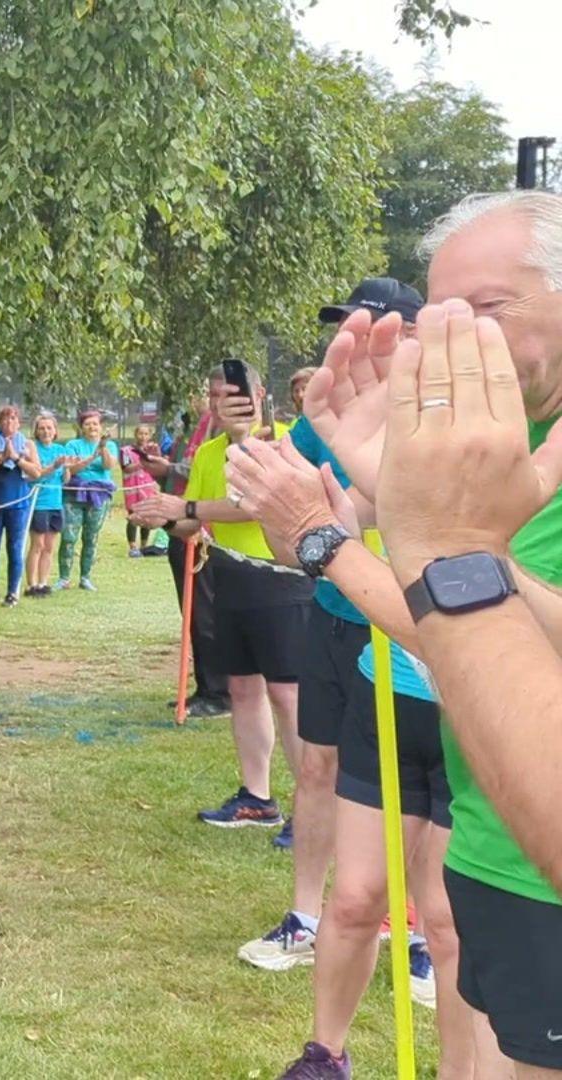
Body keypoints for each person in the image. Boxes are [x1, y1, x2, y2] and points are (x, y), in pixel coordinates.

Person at [295, 194, 562, 1074]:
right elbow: (463, 623)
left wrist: (334, 541)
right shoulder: (497, 437)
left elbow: (478, 615)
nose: (449, 333)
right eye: (438, 310)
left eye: (485, 309)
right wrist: (398, 507)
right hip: (497, 839)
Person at [221, 338, 474, 1077]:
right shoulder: (383, 444)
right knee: (359, 893)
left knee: (448, 915)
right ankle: (324, 1056)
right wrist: (266, 463)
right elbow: (311, 529)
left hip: (471, 711)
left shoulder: (511, 458)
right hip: (389, 690)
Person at [235, 278, 423, 976]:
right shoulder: (319, 420)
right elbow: (288, 541)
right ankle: (305, 917)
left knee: (414, 787)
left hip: (412, 628)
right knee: (319, 767)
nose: (347, 340)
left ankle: (418, 932)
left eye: (366, 327)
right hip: (338, 618)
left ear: (407, 335)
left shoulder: (433, 408)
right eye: (343, 326)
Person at [132, 361, 310, 831]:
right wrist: (165, 516)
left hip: (283, 581)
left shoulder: (285, 440)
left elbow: (254, 504)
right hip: (230, 579)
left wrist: (187, 504)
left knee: (288, 695)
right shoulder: (209, 453)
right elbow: (195, 522)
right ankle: (258, 797)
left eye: (229, 394)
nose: (219, 404)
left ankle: (309, 810)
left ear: (256, 394)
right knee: (244, 689)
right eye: (213, 396)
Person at [155, 390, 228, 716]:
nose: (211, 402)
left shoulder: (228, 435)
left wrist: (169, 468)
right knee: (195, 615)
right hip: (186, 527)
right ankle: (207, 687)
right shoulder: (199, 429)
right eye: (210, 395)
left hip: (208, 534)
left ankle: (219, 692)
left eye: (217, 395)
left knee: (208, 615)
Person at [0, 405, 37, 606]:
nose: (9, 423)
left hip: (18, 504)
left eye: (13, 419)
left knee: (15, 548)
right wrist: (2, 457)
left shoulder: (27, 444)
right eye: (5, 419)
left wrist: (16, 458)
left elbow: (36, 472)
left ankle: (13, 591)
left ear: (19, 423)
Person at [57, 407, 118, 591]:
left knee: (91, 537)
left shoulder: (111, 445)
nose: (92, 427)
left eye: (95, 424)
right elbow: (71, 469)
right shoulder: (73, 445)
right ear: (81, 427)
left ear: (100, 427)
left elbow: (109, 466)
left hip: (99, 495)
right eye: (87, 424)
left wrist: (103, 447)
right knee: (69, 537)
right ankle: (64, 578)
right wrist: (92, 457)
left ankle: (85, 577)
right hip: (74, 493)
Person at [23, 412, 70, 598]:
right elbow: (36, 473)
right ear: (36, 431)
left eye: (49, 428)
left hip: (55, 504)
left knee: (49, 546)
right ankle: (31, 584)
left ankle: (43, 582)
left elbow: (65, 479)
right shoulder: (33, 449)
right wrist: (54, 466)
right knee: (38, 544)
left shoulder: (60, 449)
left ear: (55, 430)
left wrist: (66, 469)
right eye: (41, 428)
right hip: (38, 503)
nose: (45, 431)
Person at [121, 423, 162, 557]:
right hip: (133, 487)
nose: (143, 437)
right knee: (134, 516)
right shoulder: (126, 451)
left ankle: (144, 545)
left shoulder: (153, 450)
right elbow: (126, 467)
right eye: (140, 433)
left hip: (148, 486)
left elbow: (158, 464)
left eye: (146, 434)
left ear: (150, 435)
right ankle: (133, 546)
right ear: (135, 434)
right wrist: (142, 462)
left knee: (147, 515)